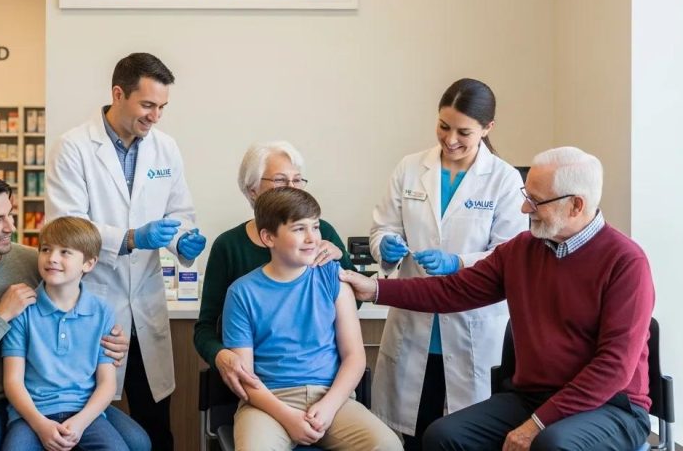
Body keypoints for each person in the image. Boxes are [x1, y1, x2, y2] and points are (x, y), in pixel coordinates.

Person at [341, 147, 654, 451]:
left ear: (575, 205)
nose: (524, 209)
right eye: (526, 197)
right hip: (532, 397)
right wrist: (376, 290)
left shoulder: (625, 262)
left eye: (536, 201)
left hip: (610, 406)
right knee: (442, 436)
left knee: (551, 444)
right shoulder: (522, 251)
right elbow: (452, 291)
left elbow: (613, 368)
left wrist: (537, 424)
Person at [0, 170, 147, 451]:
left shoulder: (34, 260)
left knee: (137, 442)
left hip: (52, 394)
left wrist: (111, 341)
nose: (10, 227)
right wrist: (1, 315)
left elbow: (74, 305)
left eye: (10, 214)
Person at [45, 52, 207, 449]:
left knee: (156, 422)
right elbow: (67, 231)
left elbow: (179, 212)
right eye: (147, 105)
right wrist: (132, 237)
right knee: (92, 421)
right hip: (93, 302)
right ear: (118, 94)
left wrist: (182, 240)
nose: (156, 116)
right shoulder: (74, 148)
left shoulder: (164, 149)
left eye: (162, 107)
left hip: (147, 303)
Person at [368, 77, 527, 450]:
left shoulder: (503, 180)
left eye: (463, 132)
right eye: (443, 126)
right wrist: (386, 244)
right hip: (414, 327)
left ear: (487, 129)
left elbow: (510, 254)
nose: (450, 139)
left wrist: (458, 261)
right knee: (411, 433)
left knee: (461, 437)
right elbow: (382, 227)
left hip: (472, 328)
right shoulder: (410, 168)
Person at [222, 187, 402, 451]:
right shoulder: (242, 293)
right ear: (268, 237)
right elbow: (246, 379)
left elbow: (354, 356)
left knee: (387, 445)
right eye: (298, 229)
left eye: (315, 227)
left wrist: (328, 407)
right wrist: (288, 417)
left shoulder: (333, 278)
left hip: (332, 399)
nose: (312, 238)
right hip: (268, 402)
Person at [194, 141, 361, 400]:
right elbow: (205, 327)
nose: (293, 190)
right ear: (252, 191)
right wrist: (220, 355)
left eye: (298, 180)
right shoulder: (229, 247)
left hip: (323, 386)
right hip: (257, 384)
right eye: (282, 181)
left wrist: (342, 260)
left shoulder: (321, 233)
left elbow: (352, 302)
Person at [2, 217, 144, 451]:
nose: (52, 258)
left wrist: (80, 423)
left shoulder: (102, 313)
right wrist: (40, 425)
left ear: (88, 264)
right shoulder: (22, 310)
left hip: (84, 412)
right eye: (46, 249)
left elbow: (107, 383)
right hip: (32, 414)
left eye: (65, 252)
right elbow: (13, 381)